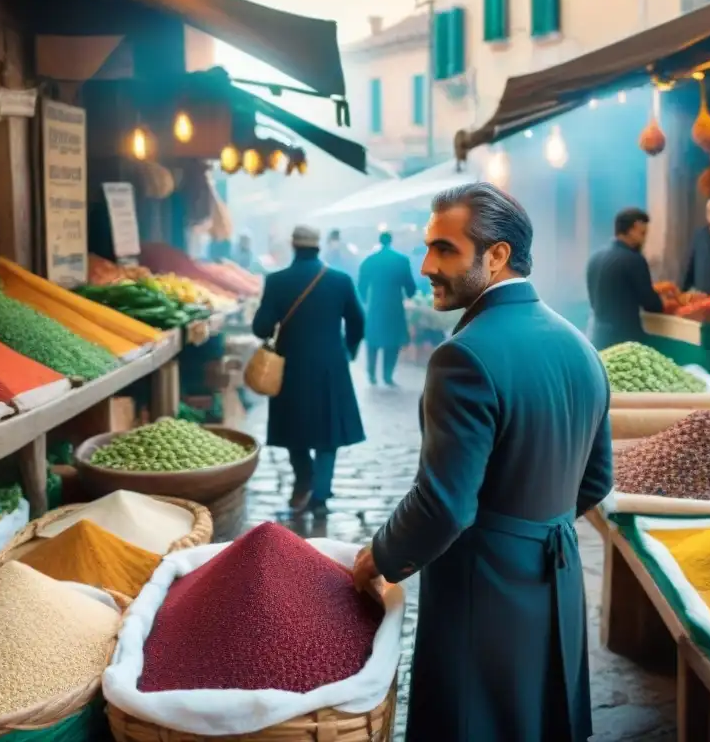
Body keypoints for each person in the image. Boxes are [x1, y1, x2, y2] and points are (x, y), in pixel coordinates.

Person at [352, 182, 611, 742]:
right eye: (428, 247)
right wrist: (536, 523)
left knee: (474, 723)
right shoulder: (581, 346)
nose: (425, 265)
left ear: (495, 256)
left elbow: (443, 507)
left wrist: (378, 556)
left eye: (444, 249)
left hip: (484, 590)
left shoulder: (462, 356)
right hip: (557, 584)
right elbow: (597, 481)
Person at [251, 225, 366, 515]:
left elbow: (261, 327)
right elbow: (358, 321)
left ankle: (303, 481)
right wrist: (348, 350)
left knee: (294, 429)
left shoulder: (277, 281)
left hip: (291, 366)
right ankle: (321, 493)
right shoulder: (340, 280)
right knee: (329, 431)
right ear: (318, 247)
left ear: (294, 246)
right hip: (331, 366)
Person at [585, 207, 664, 350]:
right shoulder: (634, 259)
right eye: (642, 233)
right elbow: (651, 304)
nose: (644, 239)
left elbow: (592, 300)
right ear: (631, 230)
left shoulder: (595, 257)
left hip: (596, 337)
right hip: (624, 341)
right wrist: (662, 300)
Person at [357, 231, 418, 386]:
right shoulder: (401, 261)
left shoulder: (370, 260)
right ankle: (387, 375)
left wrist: (364, 300)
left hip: (375, 305)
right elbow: (410, 286)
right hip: (394, 306)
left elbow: (361, 286)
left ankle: (371, 374)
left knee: (373, 340)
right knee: (393, 341)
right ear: (391, 241)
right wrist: (409, 295)